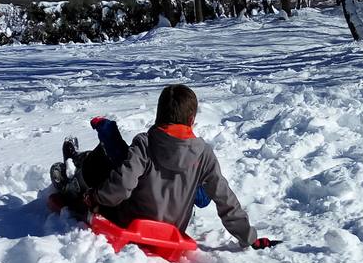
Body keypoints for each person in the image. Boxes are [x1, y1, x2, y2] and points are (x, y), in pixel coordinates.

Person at [50, 84, 277, 250]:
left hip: (129, 221)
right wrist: (249, 237)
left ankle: (73, 179)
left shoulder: (146, 143)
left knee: (105, 160)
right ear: (191, 120)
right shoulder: (203, 153)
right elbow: (224, 197)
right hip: (173, 228)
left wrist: (95, 198)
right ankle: (76, 163)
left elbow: (122, 185)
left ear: (159, 115)